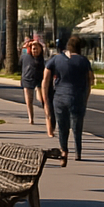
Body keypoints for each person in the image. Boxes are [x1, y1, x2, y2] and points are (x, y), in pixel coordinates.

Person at [43, 35, 95, 166]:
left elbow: (46, 78)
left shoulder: (56, 59)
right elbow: (91, 80)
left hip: (60, 97)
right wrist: (85, 97)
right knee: (77, 126)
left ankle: (64, 152)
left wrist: (46, 98)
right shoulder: (83, 61)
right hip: (77, 97)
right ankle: (78, 152)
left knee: (62, 127)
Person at [20, 35, 47, 124]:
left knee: (43, 99)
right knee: (29, 100)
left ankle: (48, 117)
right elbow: (22, 52)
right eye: (33, 49)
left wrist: (36, 42)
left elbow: (44, 48)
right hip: (27, 79)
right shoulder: (25, 56)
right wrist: (26, 45)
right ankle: (31, 118)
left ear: (40, 49)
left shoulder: (42, 58)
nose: (35, 51)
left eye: (37, 49)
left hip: (40, 79)